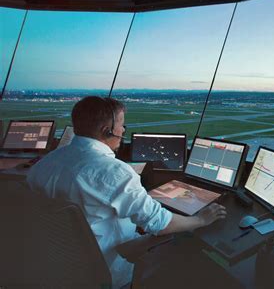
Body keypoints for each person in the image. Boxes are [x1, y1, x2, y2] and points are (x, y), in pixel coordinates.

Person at [27, 96, 226, 288]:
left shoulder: (46, 162)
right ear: (108, 131)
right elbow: (160, 224)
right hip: (109, 267)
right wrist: (201, 219)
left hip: (59, 263)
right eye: (122, 125)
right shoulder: (114, 172)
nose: (123, 130)